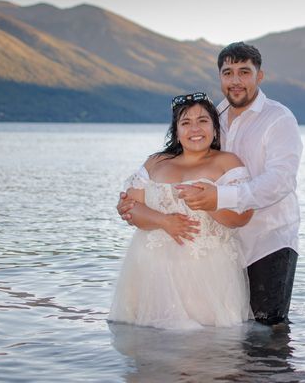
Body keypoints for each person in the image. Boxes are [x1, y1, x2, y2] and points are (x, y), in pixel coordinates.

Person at [119, 42, 303, 325]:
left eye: (244, 72)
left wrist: (221, 198)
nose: (236, 80)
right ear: (220, 77)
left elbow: (281, 180)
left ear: (259, 76)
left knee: (268, 330)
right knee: (230, 331)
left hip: (268, 239)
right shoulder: (215, 115)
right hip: (220, 245)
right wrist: (140, 205)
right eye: (228, 73)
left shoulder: (278, 119)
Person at [109, 93, 254, 329]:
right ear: (176, 131)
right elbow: (129, 209)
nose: (194, 128)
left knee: (207, 347)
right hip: (152, 271)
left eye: (203, 121)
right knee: (152, 348)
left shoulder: (228, 163)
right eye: (186, 122)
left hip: (208, 271)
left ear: (215, 129)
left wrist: (210, 204)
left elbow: (243, 216)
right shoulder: (155, 163)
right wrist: (164, 221)